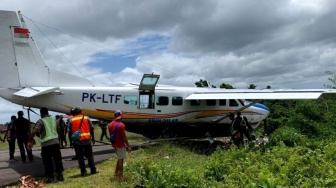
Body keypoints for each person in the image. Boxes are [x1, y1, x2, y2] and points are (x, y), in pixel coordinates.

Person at [28, 107, 64, 183]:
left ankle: (50, 177)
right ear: (47, 112)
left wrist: (30, 141)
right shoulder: (54, 119)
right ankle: (60, 176)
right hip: (55, 143)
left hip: (46, 145)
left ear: (41, 113)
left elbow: (34, 131)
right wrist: (58, 139)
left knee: (48, 162)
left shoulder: (41, 121)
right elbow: (59, 131)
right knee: (58, 160)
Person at [69, 106, 98, 176]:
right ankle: (93, 170)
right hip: (87, 140)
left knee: (80, 157)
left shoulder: (71, 120)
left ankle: (83, 172)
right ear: (80, 112)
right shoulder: (86, 118)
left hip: (77, 142)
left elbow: (69, 132)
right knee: (90, 156)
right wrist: (93, 138)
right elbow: (91, 128)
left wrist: (70, 142)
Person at [108, 110, 131, 178]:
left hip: (114, 144)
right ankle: (120, 175)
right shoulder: (121, 125)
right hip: (120, 145)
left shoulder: (110, 124)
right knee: (121, 159)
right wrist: (128, 146)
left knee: (119, 158)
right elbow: (124, 137)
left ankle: (116, 172)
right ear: (121, 116)